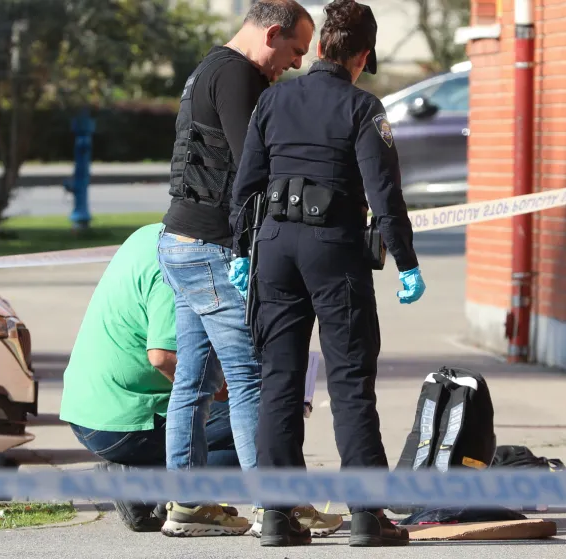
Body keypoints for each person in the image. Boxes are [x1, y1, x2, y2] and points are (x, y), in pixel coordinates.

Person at [228, 0, 426, 548]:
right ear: (361, 56)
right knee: (350, 384)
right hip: (333, 249)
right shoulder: (364, 109)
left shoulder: (274, 98)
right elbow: (385, 194)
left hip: (274, 249)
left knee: (280, 383)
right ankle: (366, 515)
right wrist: (406, 262)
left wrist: (243, 254)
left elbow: (246, 185)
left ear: (319, 48)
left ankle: (277, 516)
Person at [155, 0, 343, 539]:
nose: (295, 64)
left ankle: (187, 505)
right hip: (211, 250)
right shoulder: (239, 77)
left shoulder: (208, 68)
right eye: (295, 51)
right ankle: (276, 505)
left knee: (192, 382)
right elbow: (255, 165)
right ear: (274, 32)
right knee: (250, 378)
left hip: (179, 241)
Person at [59, 222, 240, 534]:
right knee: (254, 422)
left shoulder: (150, 234)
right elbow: (163, 356)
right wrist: (225, 389)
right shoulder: (183, 258)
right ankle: (149, 489)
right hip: (124, 419)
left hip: (91, 408)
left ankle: (147, 489)